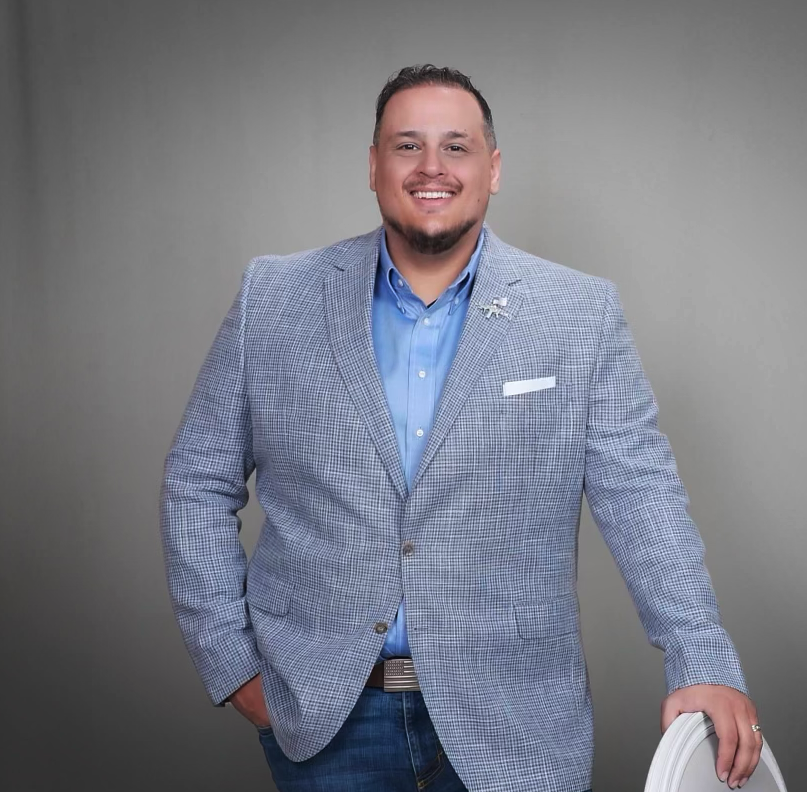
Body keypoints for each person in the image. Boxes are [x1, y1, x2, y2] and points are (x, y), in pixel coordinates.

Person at [160, 64, 762, 792]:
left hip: (517, 720)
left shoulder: (577, 313)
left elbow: (640, 494)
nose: (431, 168)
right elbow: (196, 481)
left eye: (456, 146)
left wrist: (700, 657)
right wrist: (232, 665)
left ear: (493, 168)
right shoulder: (274, 296)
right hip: (324, 720)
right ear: (375, 166)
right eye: (406, 146)